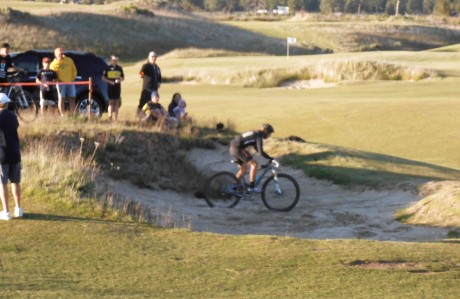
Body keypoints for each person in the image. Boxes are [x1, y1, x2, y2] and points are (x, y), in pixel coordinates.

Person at [229, 123, 275, 193]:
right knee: (254, 164)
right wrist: (269, 158)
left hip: (233, 148)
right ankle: (252, 187)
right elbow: (261, 151)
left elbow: (256, 148)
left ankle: (233, 188)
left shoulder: (255, 133)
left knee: (243, 168)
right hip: (238, 149)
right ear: (266, 131)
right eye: (269, 134)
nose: (269, 136)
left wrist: (267, 157)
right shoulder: (259, 136)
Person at [0, 93, 22, 220]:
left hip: (2, 154)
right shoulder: (13, 116)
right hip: (15, 152)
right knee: (16, 182)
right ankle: (18, 209)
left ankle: (6, 212)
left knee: (2, 184)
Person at [50, 47, 77, 116]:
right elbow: (52, 74)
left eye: (62, 53)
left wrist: (73, 78)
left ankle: (72, 114)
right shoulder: (53, 64)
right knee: (61, 98)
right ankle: (62, 114)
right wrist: (57, 81)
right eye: (59, 54)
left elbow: (74, 70)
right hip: (60, 83)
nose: (61, 55)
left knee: (72, 98)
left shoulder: (69, 60)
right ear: (55, 55)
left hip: (70, 82)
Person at [137, 51, 162, 117]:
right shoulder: (146, 66)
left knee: (153, 105)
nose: (153, 58)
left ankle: (151, 118)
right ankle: (138, 117)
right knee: (143, 104)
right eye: (152, 56)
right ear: (149, 57)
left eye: (155, 56)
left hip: (154, 90)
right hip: (147, 89)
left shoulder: (157, 68)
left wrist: (159, 82)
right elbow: (140, 74)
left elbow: (159, 77)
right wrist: (141, 75)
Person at [102, 54, 124, 121]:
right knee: (111, 102)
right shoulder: (107, 68)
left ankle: (116, 118)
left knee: (117, 102)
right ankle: (110, 117)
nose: (114, 61)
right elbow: (103, 78)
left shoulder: (119, 68)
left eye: (116, 60)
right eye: (113, 60)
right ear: (111, 60)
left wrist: (119, 80)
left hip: (117, 87)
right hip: (110, 87)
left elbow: (122, 77)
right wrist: (109, 81)